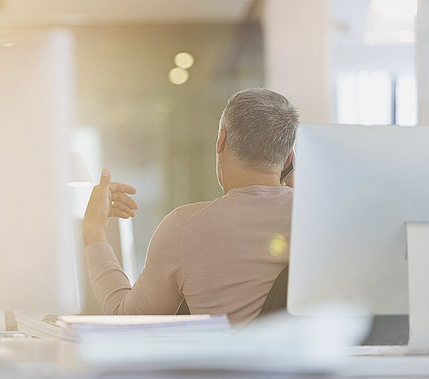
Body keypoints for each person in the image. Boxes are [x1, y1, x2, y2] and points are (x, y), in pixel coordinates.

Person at [82, 88, 298, 324]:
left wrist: (94, 232)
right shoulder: (318, 221)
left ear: (221, 139)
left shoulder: (185, 228)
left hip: (227, 362)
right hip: (316, 361)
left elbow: (126, 321)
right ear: (288, 158)